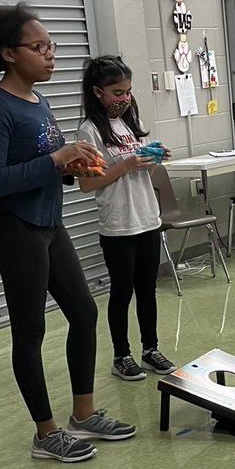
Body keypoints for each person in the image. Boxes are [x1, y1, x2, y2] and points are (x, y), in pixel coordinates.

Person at [0, 3, 135, 464]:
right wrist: (57, 160)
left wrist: (71, 167)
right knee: (30, 330)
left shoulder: (37, 101)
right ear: (9, 53)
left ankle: (83, 414)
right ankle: (46, 434)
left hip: (48, 221)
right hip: (14, 228)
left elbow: (45, 165)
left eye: (51, 46)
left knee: (83, 313)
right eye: (39, 47)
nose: (50, 55)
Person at [76, 55, 176, 381]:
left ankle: (151, 348)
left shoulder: (128, 123)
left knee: (147, 289)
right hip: (118, 224)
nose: (124, 98)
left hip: (147, 217)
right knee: (122, 292)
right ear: (97, 92)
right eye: (117, 92)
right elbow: (88, 183)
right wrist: (127, 165)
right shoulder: (89, 131)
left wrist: (153, 157)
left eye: (128, 92)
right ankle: (122, 355)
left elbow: (137, 163)